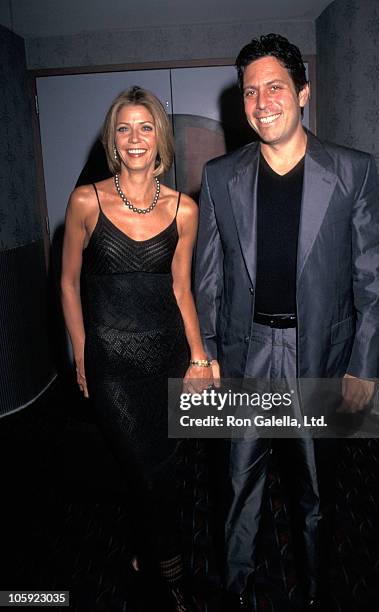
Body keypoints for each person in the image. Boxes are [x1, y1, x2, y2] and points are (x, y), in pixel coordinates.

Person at [194, 34, 379, 611]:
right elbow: (208, 281)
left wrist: (364, 367)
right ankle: (235, 591)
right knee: (236, 486)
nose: (262, 101)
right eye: (250, 92)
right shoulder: (219, 176)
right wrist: (205, 357)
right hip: (246, 355)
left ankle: (314, 593)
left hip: (320, 358)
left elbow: (373, 282)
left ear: (303, 92)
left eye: (275, 86)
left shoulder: (353, 171)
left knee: (315, 492)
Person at [61, 85, 212, 612]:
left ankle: (143, 557)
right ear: (112, 139)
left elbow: (181, 289)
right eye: (124, 128)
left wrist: (197, 357)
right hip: (112, 366)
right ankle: (171, 584)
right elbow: (68, 284)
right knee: (149, 474)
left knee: (161, 471)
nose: (135, 138)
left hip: (167, 358)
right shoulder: (86, 201)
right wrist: (81, 353)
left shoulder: (184, 209)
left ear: (160, 140)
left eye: (145, 127)